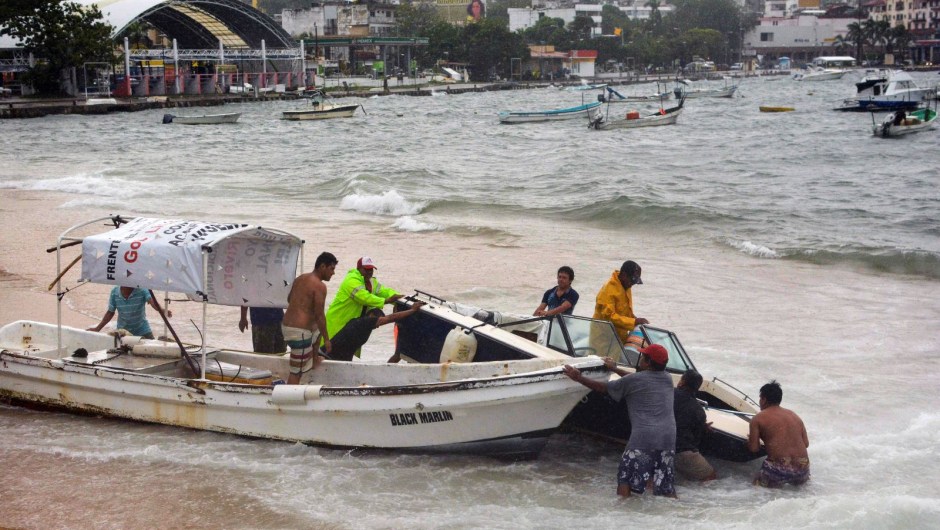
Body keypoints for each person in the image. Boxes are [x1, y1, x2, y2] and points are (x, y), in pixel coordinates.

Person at [563, 344, 677, 498]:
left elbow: (603, 388)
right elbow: (635, 380)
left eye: (642, 357)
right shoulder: (667, 378)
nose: (640, 359)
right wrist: (615, 369)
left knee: (625, 478)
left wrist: (578, 377)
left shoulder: (635, 380)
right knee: (665, 483)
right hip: (668, 437)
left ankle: (624, 512)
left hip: (644, 437)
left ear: (648, 362)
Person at [325, 256, 402, 358]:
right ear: (359, 269)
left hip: (352, 326)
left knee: (346, 353)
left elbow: (386, 292)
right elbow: (364, 297)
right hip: (338, 324)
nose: (369, 272)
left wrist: (402, 299)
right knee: (328, 352)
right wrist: (386, 301)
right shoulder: (351, 280)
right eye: (366, 269)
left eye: (371, 269)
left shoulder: (372, 282)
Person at [282, 252, 338, 384]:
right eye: (332, 269)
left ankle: (313, 360)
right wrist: (327, 340)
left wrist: (303, 308)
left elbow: (289, 299)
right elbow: (320, 316)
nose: (333, 273)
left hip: (286, 327)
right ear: (322, 266)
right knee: (297, 371)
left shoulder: (301, 278)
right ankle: (290, 399)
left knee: (316, 331)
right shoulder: (320, 286)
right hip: (298, 334)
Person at [748, 380, 810, 488]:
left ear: (764, 400)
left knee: (754, 487)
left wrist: (750, 440)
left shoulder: (758, 418)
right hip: (802, 468)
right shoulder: (794, 416)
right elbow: (806, 444)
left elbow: (754, 449)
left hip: (778, 469)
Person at [325, 302, 426, 362]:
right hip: (327, 356)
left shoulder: (362, 326)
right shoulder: (364, 322)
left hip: (336, 358)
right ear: (371, 315)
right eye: (378, 321)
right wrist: (412, 310)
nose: (378, 326)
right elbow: (390, 318)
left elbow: (351, 347)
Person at [674, 370, 717, 482]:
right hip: (680, 450)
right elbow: (696, 440)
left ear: (682, 382)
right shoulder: (699, 411)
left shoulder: (668, 394)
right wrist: (703, 427)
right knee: (710, 477)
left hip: (657, 444)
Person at [593, 260, 649, 345]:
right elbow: (609, 317)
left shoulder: (626, 286)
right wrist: (634, 322)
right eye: (632, 281)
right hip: (603, 339)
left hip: (619, 337)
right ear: (623, 275)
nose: (632, 284)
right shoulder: (609, 290)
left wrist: (637, 321)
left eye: (634, 282)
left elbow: (626, 312)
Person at [87, 286, 171, 339]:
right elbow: (110, 312)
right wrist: (97, 328)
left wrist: (162, 310)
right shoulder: (115, 291)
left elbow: (152, 302)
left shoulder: (142, 289)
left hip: (142, 330)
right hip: (123, 332)